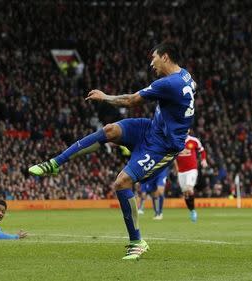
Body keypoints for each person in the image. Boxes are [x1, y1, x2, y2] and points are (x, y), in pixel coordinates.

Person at [29, 42, 196, 260]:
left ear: (165, 57)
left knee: (121, 183)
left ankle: (137, 241)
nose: (151, 62)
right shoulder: (186, 77)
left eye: (153, 57)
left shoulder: (168, 83)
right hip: (151, 128)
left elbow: (130, 100)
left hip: (163, 145)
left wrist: (104, 96)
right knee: (109, 130)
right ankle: (54, 163)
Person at [174, 132, 207, 222]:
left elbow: (202, 150)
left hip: (191, 170)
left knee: (189, 189)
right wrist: (175, 168)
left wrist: (203, 160)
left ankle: (193, 211)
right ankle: (192, 210)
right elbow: (173, 156)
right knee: (185, 193)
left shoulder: (194, 140)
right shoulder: (175, 141)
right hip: (181, 172)